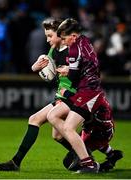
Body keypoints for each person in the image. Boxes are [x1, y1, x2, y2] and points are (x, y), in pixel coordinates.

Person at [0, 17, 76, 171]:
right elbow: (48, 73)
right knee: (56, 136)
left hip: (73, 97)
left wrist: (70, 71)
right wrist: (35, 67)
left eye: (50, 36)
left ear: (60, 34)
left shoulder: (73, 50)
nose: (47, 39)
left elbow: (87, 72)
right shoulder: (53, 50)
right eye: (46, 36)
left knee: (36, 119)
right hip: (61, 97)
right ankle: (89, 153)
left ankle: (16, 162)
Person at [46, 18, 122, 173]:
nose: (65, 42)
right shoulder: (86, 40)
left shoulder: (73, 50)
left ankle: (89, 163)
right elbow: (88, 66)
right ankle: (98, 155)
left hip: (89, 92)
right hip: (88, 90)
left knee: (66, 127)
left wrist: (64, 72)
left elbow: (73, 78)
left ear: (73, 36)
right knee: (55, 120)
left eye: (65, 38)